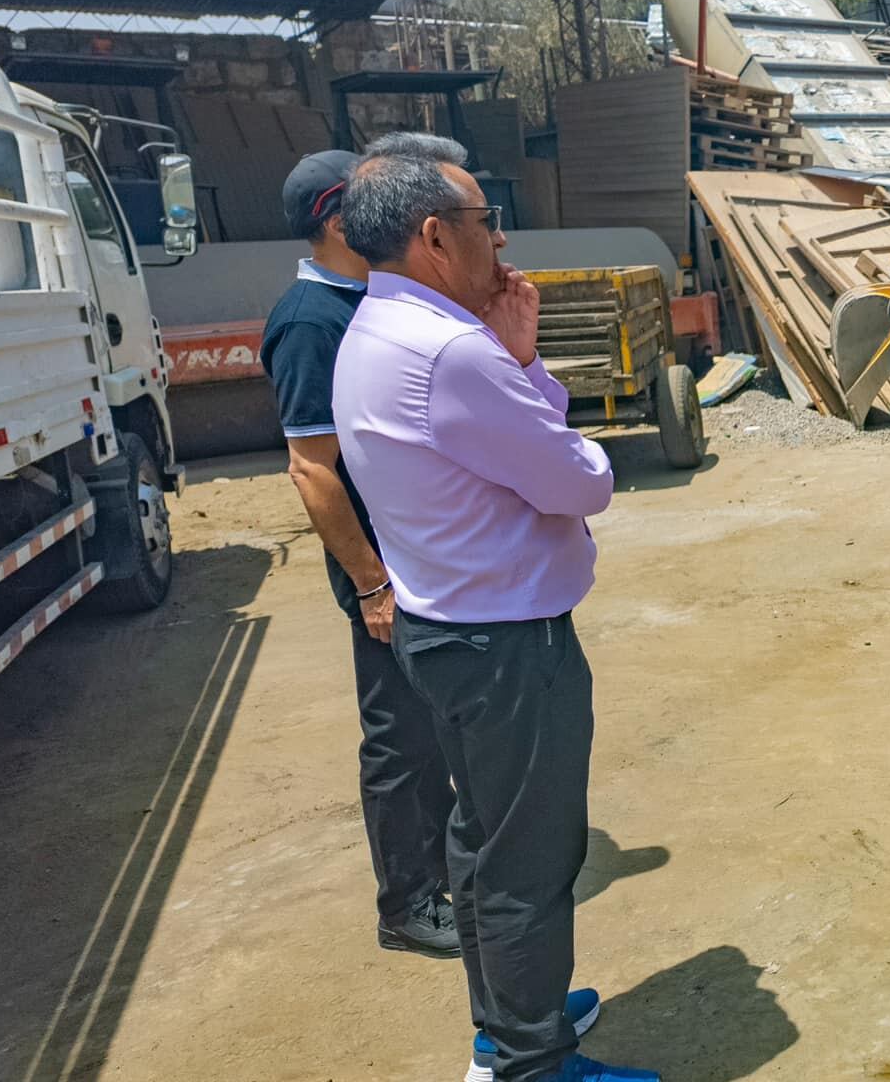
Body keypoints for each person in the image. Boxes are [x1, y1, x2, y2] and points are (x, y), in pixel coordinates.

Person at [330, 133, 649, 1082]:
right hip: (507, 647)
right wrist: (525, 366)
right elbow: (580, 482)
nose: (501, 247)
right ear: (435, 236)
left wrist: (514, 364)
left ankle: (510, 1022)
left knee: (478, 843)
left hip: (446, 630)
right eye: (487, 225)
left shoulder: (375, 329)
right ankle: (531, 1061)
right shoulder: (451, 353)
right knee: (528, 863)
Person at [258, 149, 458, 960]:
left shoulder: (365, 298)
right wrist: (371, 585)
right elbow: (312, 469)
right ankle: (406, 906)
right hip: (383, 574)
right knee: (400, 740)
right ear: (340, 222)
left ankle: (439, 873)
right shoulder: (312, 321)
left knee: (432, 730)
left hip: (415, 560)